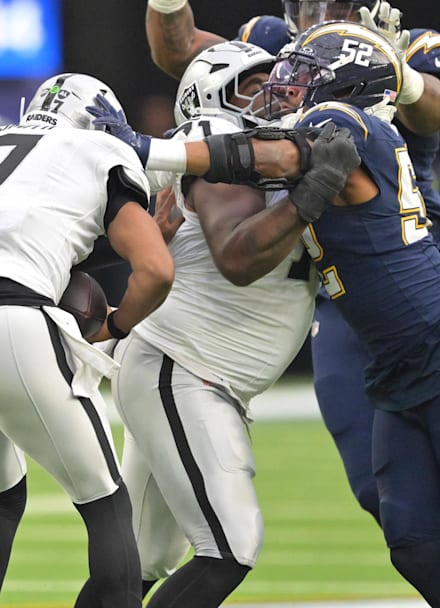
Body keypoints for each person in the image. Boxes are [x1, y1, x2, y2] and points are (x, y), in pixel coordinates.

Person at [144, 0, 440, 525]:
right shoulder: (285, 48)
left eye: (340, 6)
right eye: (310, 5)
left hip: (407, 264)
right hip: (332, 282)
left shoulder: (386, 62)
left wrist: (401, 75)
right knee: (390, 500)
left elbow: (281, 153)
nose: (322, 14)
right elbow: (183, 54)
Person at [0, 73, 175, 608]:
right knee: (106, 505)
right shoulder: (99, 148)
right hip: (12, 323)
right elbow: (156, 270)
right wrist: (113, 328)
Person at [107, 41, 327, 606]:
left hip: (190, 370)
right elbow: (237, 258)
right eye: (253, 84)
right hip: (183, 367)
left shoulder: (280, 149)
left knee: (135, 564)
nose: (273, 93)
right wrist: (310, 198)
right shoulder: (217, 145)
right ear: (212, 98)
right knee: (231, 545)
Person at [263, 22, 440, 602]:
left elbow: (276, 156)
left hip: (429, 337)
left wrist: (150, 151)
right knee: (410, 535)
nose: (288, 85)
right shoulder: (367, 133)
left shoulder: (339, 123)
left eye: (306, 75)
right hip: (394, 361)